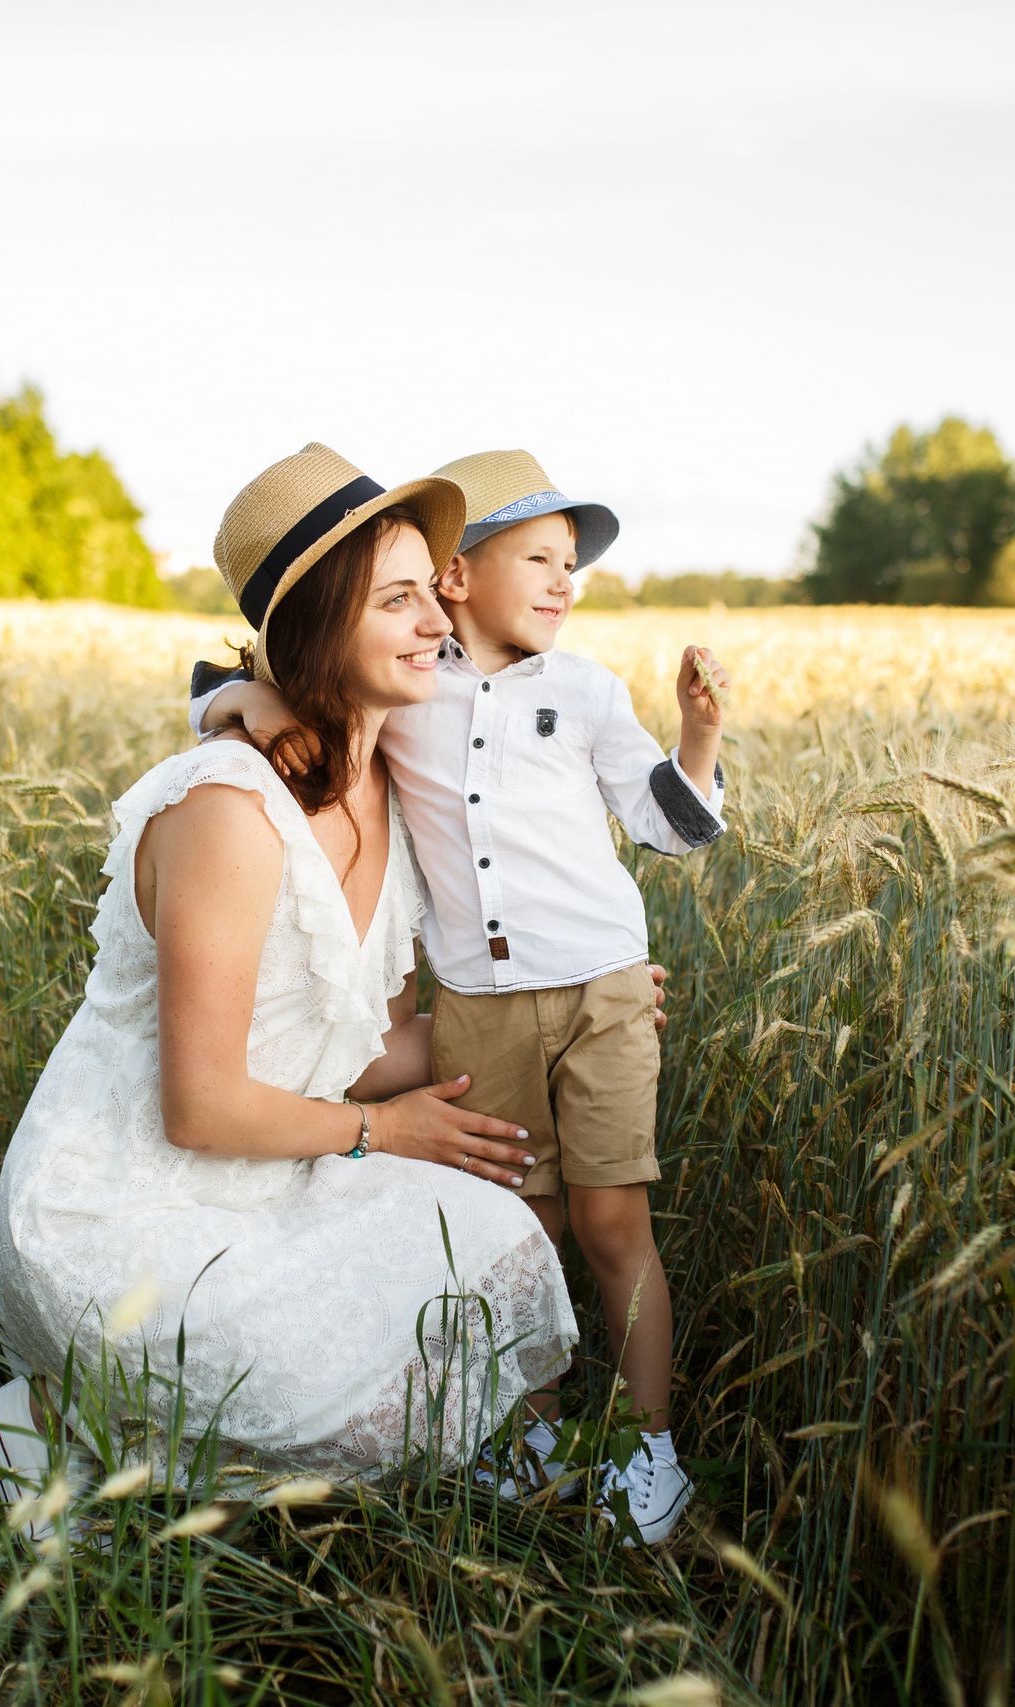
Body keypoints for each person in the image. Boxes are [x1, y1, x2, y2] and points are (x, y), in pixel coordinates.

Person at [0, 444, 581, 1501]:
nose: (439, 624)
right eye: (399, 600)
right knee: (336, 1410)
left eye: (429, 594)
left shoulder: (392, 786)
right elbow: (200, 1107)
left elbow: (360, 1051)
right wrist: (385, 1136)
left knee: (506, 1248)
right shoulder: (226, 809)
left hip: (285, 1170)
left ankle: (174, 1433)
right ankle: (46, 1411)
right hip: (122, 1215)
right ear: (312, 629)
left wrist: (551, 1014)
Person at [192, 448, 732, 1544]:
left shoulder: (583, 690)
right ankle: (531, 1432)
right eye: (536, 557)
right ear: (456, 577)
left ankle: (649, 1448)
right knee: (514, 1224)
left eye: (569, 563)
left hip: (603, 988)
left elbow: (664, 823)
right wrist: (244, 696)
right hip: (481, 998)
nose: (563, 581)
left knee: (611, 1217)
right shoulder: (411, 688)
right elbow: (231, 687)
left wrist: (701, 739)